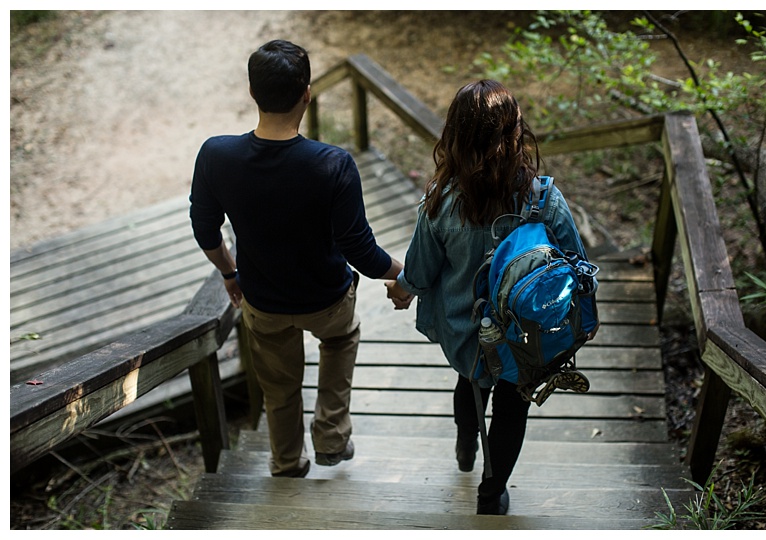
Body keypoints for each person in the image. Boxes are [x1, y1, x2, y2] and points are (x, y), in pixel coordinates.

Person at [190, 39, 404, 479]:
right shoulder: (332, 164)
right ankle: (330, 436)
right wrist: (405, 275)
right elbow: (359, 249)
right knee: (341, 340)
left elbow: (204, 228)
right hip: (326, 297)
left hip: (262, 301)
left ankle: (286, 462)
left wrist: (230, 273)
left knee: (279, 386)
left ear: (252, 92)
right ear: (307, 94)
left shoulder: (216, 155)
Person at [385, 80, 599, 515]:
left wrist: (402, 289)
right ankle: (492, 490)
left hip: (467, 333)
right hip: (524, 335)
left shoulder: (440, 202)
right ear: (513, 135)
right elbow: (577, 265)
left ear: (456, 136)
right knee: (513, 402)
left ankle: (467, 443)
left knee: (469, 382)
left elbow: (422, 271)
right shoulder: (542, 199)